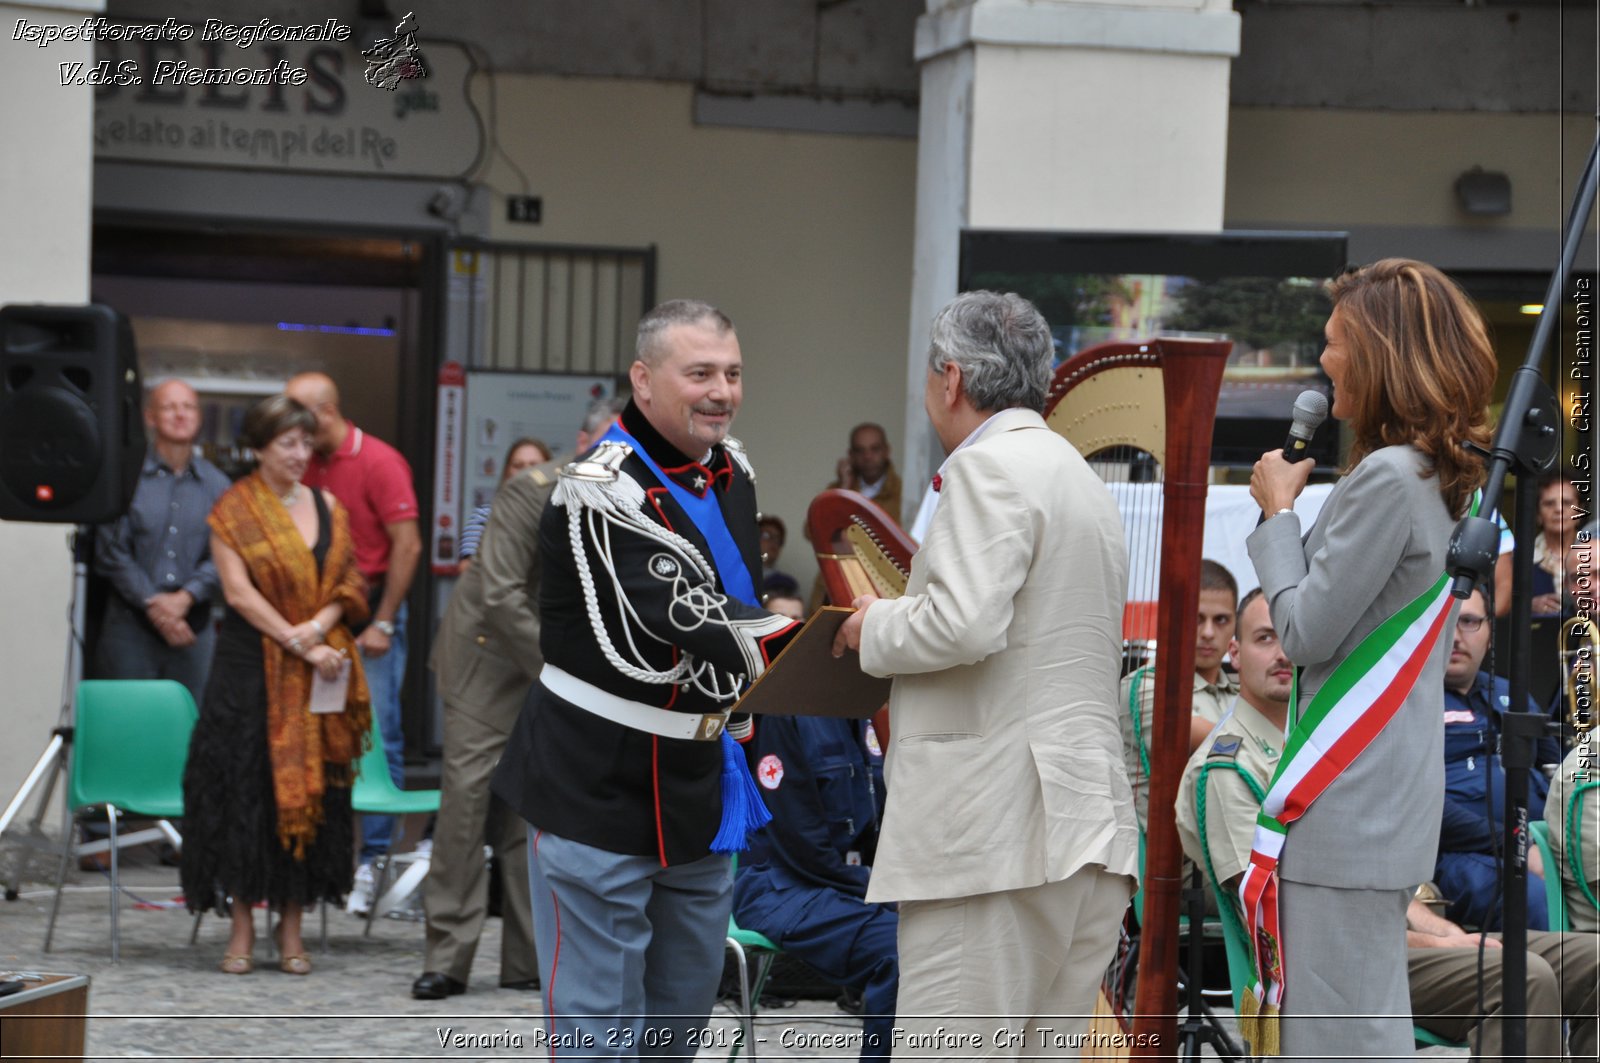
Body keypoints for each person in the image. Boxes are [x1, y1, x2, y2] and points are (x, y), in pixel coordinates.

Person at [490, 300, 800, 1058]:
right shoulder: (597, 487)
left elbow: (741, 597)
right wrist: (848, 646)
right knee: (599, 1036)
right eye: (699, 373)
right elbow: (688, 612)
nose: (721, 390)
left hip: (697, 786)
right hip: (594, 782)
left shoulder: (733, 470)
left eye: (731, 373)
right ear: (643, 378)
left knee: (677, 1032)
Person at [833, 291, 1138, 1053]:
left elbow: (962, 622)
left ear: (952, 378)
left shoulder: (987, 469)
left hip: (991, 837)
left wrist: (873, 622)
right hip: (1082, 825)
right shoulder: (1079, 479)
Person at [1243, 258, 1497, 1055]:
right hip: (1381, 808)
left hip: (1344, 807)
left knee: (1336, 1042)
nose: (1324, 362)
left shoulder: (1388, 479)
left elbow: (1305, 632)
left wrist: (1279, 514)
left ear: (1381, 352)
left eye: (1336, 341)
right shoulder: (1433, 477)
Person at [1176, 591, 1599, 1061]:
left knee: (1593, 962)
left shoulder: (1317, 743)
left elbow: (1373, 882)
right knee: (1523, 977)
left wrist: (1446, 935)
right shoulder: (1230, 768)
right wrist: (1439, 941)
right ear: (1235, 654)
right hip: (1332, 968)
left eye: (1289, 637)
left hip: (1389, 934)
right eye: (1263, 638)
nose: (1283, 653)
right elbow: (1277, 925)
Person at [412, 404, 619, 1001]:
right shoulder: (531, 493)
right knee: (466, 809)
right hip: (489, 665)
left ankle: (526, 959)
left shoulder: (631, 501)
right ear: (582, 441)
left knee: (532, 816)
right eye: (606, 440)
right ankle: (447, 958)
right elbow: (501, 598)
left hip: (547, 670)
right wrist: (570, 671)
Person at [180, 395, 371, 976]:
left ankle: (291, 925)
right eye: (286, 443)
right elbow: (237, 594)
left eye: (305, 442)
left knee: (313, 795)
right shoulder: (234, 510)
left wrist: (318, 633)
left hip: (320, 670)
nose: (299, 454)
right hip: (247, 671)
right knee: (245, 792)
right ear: (259, 448)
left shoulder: (329, 504)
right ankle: (241, 924)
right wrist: (299, 641)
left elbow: (348, 584)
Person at [285, 371, 422, 913]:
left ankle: (376, 863)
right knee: (316, 735)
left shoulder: (380, 461)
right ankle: (323, 857)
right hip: (321, 620)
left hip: (371, 616)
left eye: (297, 415)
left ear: (324, 411)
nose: (289, 428)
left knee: (378, 736)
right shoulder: (305, 462)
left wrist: (384, 622)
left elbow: (406, 547)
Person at [732, 625, 897, 1062]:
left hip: (846, 881)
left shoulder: (863, 717)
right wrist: (881, 889)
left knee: (946, 937)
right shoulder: (784, 716)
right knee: (903, 950)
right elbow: (801, 847)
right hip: (781, 886)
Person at [91, 379, 231, 705]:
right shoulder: (126, 478)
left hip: (194, 627)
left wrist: (185, 598)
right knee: (127, 722)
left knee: (192, 728)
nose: (180, 414)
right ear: (150, 417)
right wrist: (156, 605)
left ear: (199, 417)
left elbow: (226, 554)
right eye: (169, 407)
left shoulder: (219, 485)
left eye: (188, 407)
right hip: (130, 625)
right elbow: (111, 551)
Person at [1436, 587, 1562, 930]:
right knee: (1533, 896)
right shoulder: (1408, 703)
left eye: (1469, 622)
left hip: (1541, 842)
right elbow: (1422, 806)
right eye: (1445, 622)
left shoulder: (1513, 694)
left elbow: (1558, 772)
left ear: (1490, 633)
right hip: (1460, 855)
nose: (1456, 635)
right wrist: (1518, 845)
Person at [1121, 558, 1240, 832]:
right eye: (1196, 619)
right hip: (1148, 867)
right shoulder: (1145, 687)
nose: (1208, 633)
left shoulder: (1239, 694)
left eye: (1220, 620)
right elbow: (1226, 746)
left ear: (1235, 624)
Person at [808, 423, 903, 609]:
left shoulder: (904, 492)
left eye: (874, 449)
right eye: (860, 450)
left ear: (887, 451)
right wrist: (843, 486)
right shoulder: (838, 489)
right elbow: (810, 531)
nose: (868, 456)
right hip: (837, 584)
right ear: (850, 455)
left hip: (886, 589)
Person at [457, 437, 550, 568]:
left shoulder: (561, 516)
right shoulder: (484, 516)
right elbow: (466, 569)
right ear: (507, 472)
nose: (526, 471)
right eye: (518, 465)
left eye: (534, 465)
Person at [1531, 472, 1580, 616]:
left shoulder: (1595, 555)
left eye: (1566, 503)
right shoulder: (1519, 561)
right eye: (1549, 503)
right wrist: (1528, 606)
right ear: (1538, 515)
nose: (1559, 509)